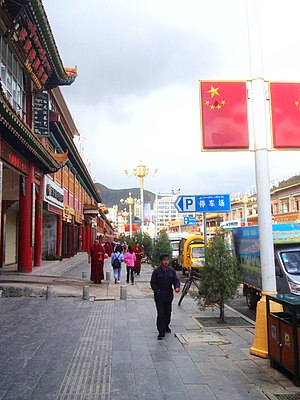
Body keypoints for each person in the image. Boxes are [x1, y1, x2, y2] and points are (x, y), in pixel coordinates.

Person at [150, 252, 180, 340]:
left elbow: (176, 280)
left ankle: (166, 326)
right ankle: (161, 332)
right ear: (161, 262)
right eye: (164, 260)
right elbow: (153, 283)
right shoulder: (156, 271)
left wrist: (177, 287)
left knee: (168, 313)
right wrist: (157, 290)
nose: (166, 262)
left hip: (168, 296)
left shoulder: (171, 271)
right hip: (159, 296)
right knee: (161, 314)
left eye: (167, 260)